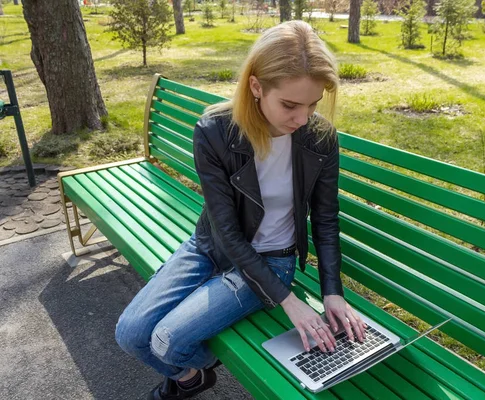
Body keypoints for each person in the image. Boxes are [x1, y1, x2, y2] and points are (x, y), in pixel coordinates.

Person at [115, 20, 366, 400]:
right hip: (212, 247)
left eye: (313, 104)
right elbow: (226, 230)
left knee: (165, 340)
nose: (303, 118)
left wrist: (332, 292)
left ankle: (185, 369)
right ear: (256, 86)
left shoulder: (319, 137)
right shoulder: (214, 131)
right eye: (290, 105)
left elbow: (326, 219)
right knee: (130, 335)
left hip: (274, 259)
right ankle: (191, 377)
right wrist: (289, 302)